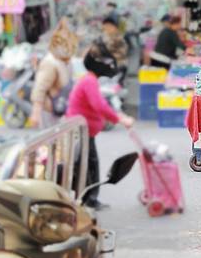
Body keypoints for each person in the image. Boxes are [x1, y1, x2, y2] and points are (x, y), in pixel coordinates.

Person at [66, 42, 134, 209]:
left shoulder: (90, 80)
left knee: (89, 164)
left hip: (85, 131)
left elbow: (100, 104)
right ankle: (88, 200)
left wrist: (119, 115)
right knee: (88, 165)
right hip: (82, 131)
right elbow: (99, 106)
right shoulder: (89, 81)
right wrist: (120, 119)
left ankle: (89, 199)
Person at [30, 18, 78, 128]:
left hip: (61, 110)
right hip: (51, 110)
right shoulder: (50, 62)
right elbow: (40, 87)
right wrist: (36, 113)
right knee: (51, 142)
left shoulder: (65, 60)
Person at [101, 16, 128, 84]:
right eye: (105, 27)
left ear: (114, 27)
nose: (106, 29)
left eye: (109, 26)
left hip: (117, 67)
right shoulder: (105, 36)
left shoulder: (118, 39)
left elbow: (121, 55)